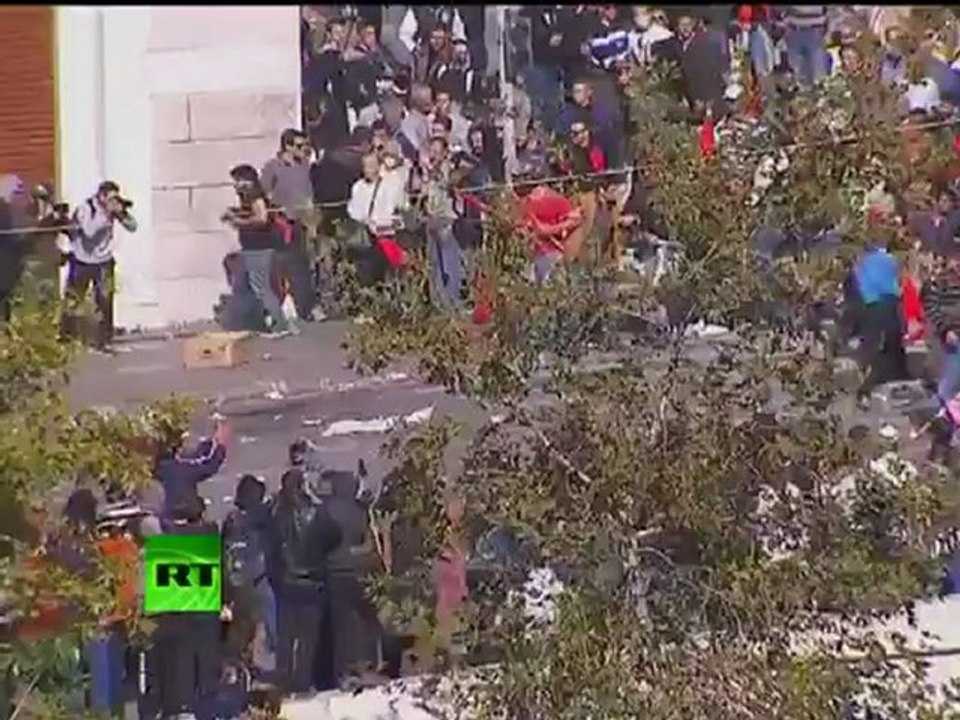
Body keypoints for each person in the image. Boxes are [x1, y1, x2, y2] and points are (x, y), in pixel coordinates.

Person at [268, 468, 342, 695]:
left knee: (285, 637)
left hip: (286, 584)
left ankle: (283, 679)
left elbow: (270, 549)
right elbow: (334, 536)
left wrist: (275, 577)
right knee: (308, 638)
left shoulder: (275, 514)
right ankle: (301, 682)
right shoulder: (316, 512)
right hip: (312, 582)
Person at [151, 497, 223, 719]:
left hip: (179, 611)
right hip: (206, 607)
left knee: (180, 665)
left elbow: (160, 586)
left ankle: (182, 708)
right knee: (206, 665)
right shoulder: (210, 534)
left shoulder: (166, 542)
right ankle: (206, 707)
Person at [61, 180, 137, 350]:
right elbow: (88, 231)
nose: (113, 202)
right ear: (101, 196)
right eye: (110, 198)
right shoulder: (85, 208)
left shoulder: (112, 210)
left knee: (105, 299)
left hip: (103, 261)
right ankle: (67, 337)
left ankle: (104, 339)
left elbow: (133, 227)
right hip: (82, 259)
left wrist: (122, 213)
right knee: (74, 298)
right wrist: (105, 215)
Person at [221, 164, 293, 336]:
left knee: (262, 287)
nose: (236, 185)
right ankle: (252, 322)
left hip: (259, 248)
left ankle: (280, 325)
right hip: (250, 248)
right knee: (246, 286)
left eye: (238, 181)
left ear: (248, 180)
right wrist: (236, 213)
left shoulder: (255, 196)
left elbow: (262, 218)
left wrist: (239, 222)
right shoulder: (247, 197)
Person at [260, 128, 317, 323]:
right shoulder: (273, 167)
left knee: (304, 267)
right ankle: (275, 310)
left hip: (305, 223)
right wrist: (276, 210)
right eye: (300, 146)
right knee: (281, 267)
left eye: (306, 146)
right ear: (288, 146)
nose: (304, 150)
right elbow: (263, 194)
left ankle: (306, 308)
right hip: (283, 225)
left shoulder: (305, 166)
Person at [222, 474, 276, 667]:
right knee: (269, 625)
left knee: (240, 630)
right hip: (258, 581)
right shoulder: (261, 517)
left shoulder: (231, 520)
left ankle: (238, 663)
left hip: (236, 583)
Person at [853, 234, 908, 408]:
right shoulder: (890, 260)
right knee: (892, 343)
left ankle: (864, 388)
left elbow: (858, 285)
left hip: (870, 303)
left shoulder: (862, 262)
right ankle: (893, 384)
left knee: (873, 343)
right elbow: (897, 283)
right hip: (887, 301)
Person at [518, 169, 585, 284]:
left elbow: (576, 219)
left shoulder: (555, 200)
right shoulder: (523, 203)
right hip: (530, 254)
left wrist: (549, 230)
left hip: (549, 254)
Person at [155, 418, 228, 522]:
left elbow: (194, 458)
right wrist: (220, 444)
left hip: (165, 521)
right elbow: (209, 465)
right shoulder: (180, 469)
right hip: (187, 517)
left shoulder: (159, 467)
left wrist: (211, 442)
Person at [421, 135, 462, 308]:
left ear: (445, 153)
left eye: (438, 151)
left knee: (449, 263)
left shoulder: (447, 168)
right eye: (432, 151)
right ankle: (438, 302)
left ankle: (452, 301)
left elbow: (449, 182)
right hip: (431, 220)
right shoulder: (428, 172)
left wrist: (434, 170)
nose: (434, 155)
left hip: (446, 221)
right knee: (434, 264)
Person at [923, 250, 960, 406]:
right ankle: (937, 417)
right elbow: (931, 308)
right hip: (949, 339)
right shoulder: (938, 284)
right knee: (948, 383)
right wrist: (946, 329)